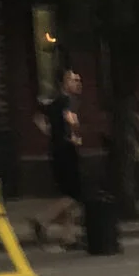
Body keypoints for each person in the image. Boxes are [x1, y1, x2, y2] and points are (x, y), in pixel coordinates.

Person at [31, 67, 85, 249]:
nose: (77, 83)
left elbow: (38, 118)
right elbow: (71, 126)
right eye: (72, 80)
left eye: (78, 80)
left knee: (66, 193)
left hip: (57, 150)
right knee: (74, 194)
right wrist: (73, 138)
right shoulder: (66, 102)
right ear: (63, 83)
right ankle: (42, 219)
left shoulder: (54, 101)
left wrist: (50, 133)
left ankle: (68, 237)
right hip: (66, 152)